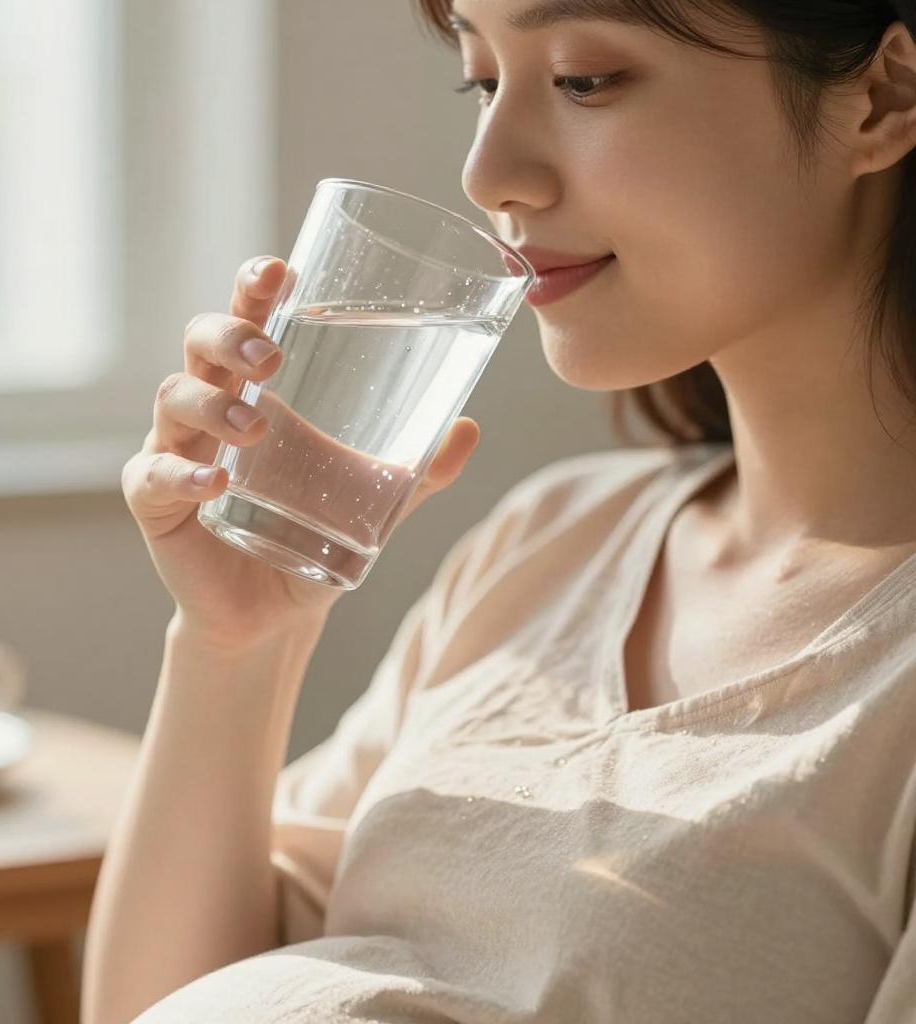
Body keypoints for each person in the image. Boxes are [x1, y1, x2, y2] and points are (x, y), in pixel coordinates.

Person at [81, 1, 916, 1021]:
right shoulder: (550, 539)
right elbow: (156, 1003)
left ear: (882, 97)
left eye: (584, 79)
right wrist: (235, 642)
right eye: (482, 81)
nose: (486, 175)